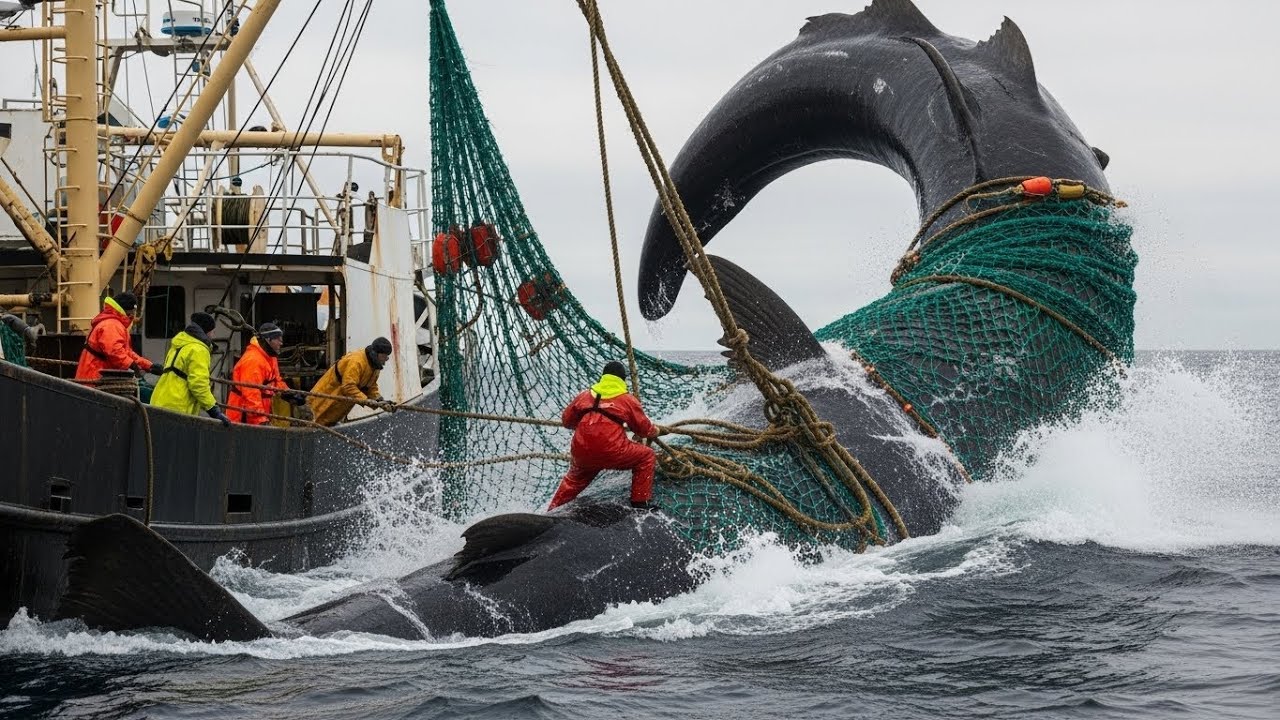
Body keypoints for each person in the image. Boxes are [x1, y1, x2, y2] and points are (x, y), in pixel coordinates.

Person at [549, 361, 660, 511]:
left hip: (581, 452)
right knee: (647, 456)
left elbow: (567, 422)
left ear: (603, 377)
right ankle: (640, 503)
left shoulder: (584, 395)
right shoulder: (627, 400)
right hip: (613, 451)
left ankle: (552, 511)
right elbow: (643, 430)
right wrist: (656, 431)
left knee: (573, 481)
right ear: (622, 380)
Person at [150, 312, 231, 427]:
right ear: (207, 331)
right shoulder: (199, 349)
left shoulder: (180, 344)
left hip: (159, 401)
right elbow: (198, 384)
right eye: (213, 331)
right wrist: (214, 409)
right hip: (177, 407)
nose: (213, 335)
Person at [226, 322, 305, 424]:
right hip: (243, 415)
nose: (281, 343)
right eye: (278, 340)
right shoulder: (253, 361)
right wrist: (260, 421)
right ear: (268, 340)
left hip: (260, 411)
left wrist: (288, 393)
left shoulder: (270, 357)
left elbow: (275, 380)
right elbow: (251, 396)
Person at [308, 336, 396, 426]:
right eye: (384, 356)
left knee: (324, 426)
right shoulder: (356, 361)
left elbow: (370, 387)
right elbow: (348, 386)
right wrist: (366, 400)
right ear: (376, 353)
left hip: (337, 408)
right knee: (312, 424)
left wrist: (380, 401)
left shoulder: (374, 367)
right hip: (324, 400)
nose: (385, 360)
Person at [74, 292, 159, 381]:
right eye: (134, 310)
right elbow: (115, 352)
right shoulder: (111, 325)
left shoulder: (114, 323)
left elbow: (126, 352)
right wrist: (132, 365)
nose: (134, 315)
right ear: (128, 310)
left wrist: (149, 366)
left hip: (99, 378)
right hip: (94, 380)